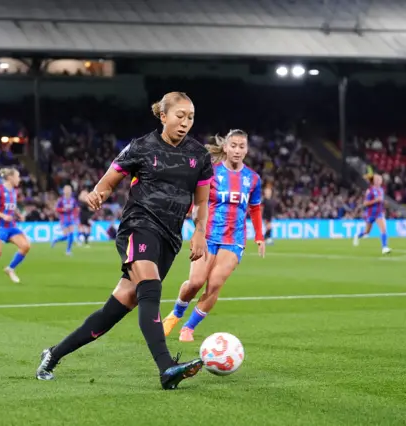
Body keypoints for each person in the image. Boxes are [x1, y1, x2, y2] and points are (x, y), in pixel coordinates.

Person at [36, 91, 213, 390]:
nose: (185, 122)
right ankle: (166, 368)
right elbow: (107, 183)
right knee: (151, 289)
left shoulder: (199, 155)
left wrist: (199, 233)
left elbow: (202, 203)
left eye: (191, 117)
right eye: (179, 116)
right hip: (138, 227)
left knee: (115, 310)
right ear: (163, 116)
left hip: (170, 238)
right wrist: (97, 195)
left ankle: (52, 355)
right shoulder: (141, 147)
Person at [163, 129, 265, 341]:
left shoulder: (252, 179)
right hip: (207, 236)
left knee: (215, 284)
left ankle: (189, 328)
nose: (237, 150)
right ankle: (176, 314)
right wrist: (186, 215)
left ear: (247, 150)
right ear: (226, 148)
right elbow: (197, 199)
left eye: (242, 146)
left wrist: (259, 236)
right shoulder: (210, 172)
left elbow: (255, 208)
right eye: (233, 145)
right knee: (195, 282)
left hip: (234, 239)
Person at [353, 173, 391, 254]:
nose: (379, 181)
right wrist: (375, 200)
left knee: (383, 229)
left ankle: (384, 247)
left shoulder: (381, 190)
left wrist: (384, 203)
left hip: (379, 213)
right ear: (374, 181)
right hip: (370, 214)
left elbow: (380, 201)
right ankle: (357, 236)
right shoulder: (369, 191)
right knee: (367, 232)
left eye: (380, 179)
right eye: (377, 179)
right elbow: (365, 203)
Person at [51, 185, 77, 255]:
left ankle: (68, 250)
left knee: (71, 234)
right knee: (65, 236)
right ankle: (56, 240)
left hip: (71, 218)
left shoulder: (73, 200)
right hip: (63, 219)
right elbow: (56, 209)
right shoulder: (61, 200)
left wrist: (75, 217)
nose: (68, 191)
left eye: (69, 190)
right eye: (67, 190)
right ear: (64, 191)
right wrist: (62, 209)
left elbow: (75, 209)